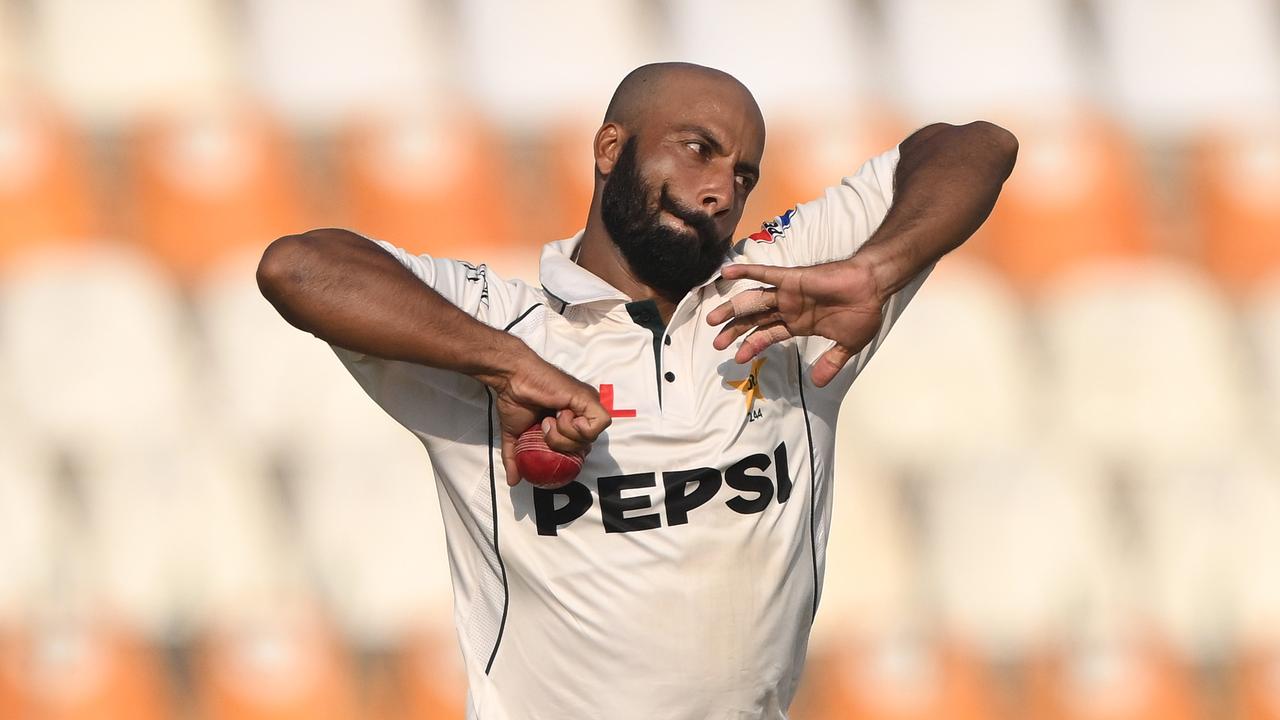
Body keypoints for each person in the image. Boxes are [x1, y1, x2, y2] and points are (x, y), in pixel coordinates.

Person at [257, 62, 1017, 720]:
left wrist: (878, 270)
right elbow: (299, 267)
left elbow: (975, 144)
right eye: (698, 151)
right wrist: (507, 366)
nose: (721, 188)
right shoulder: (505, 325)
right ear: (610, 149)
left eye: (744, 175)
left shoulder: (781, 293)